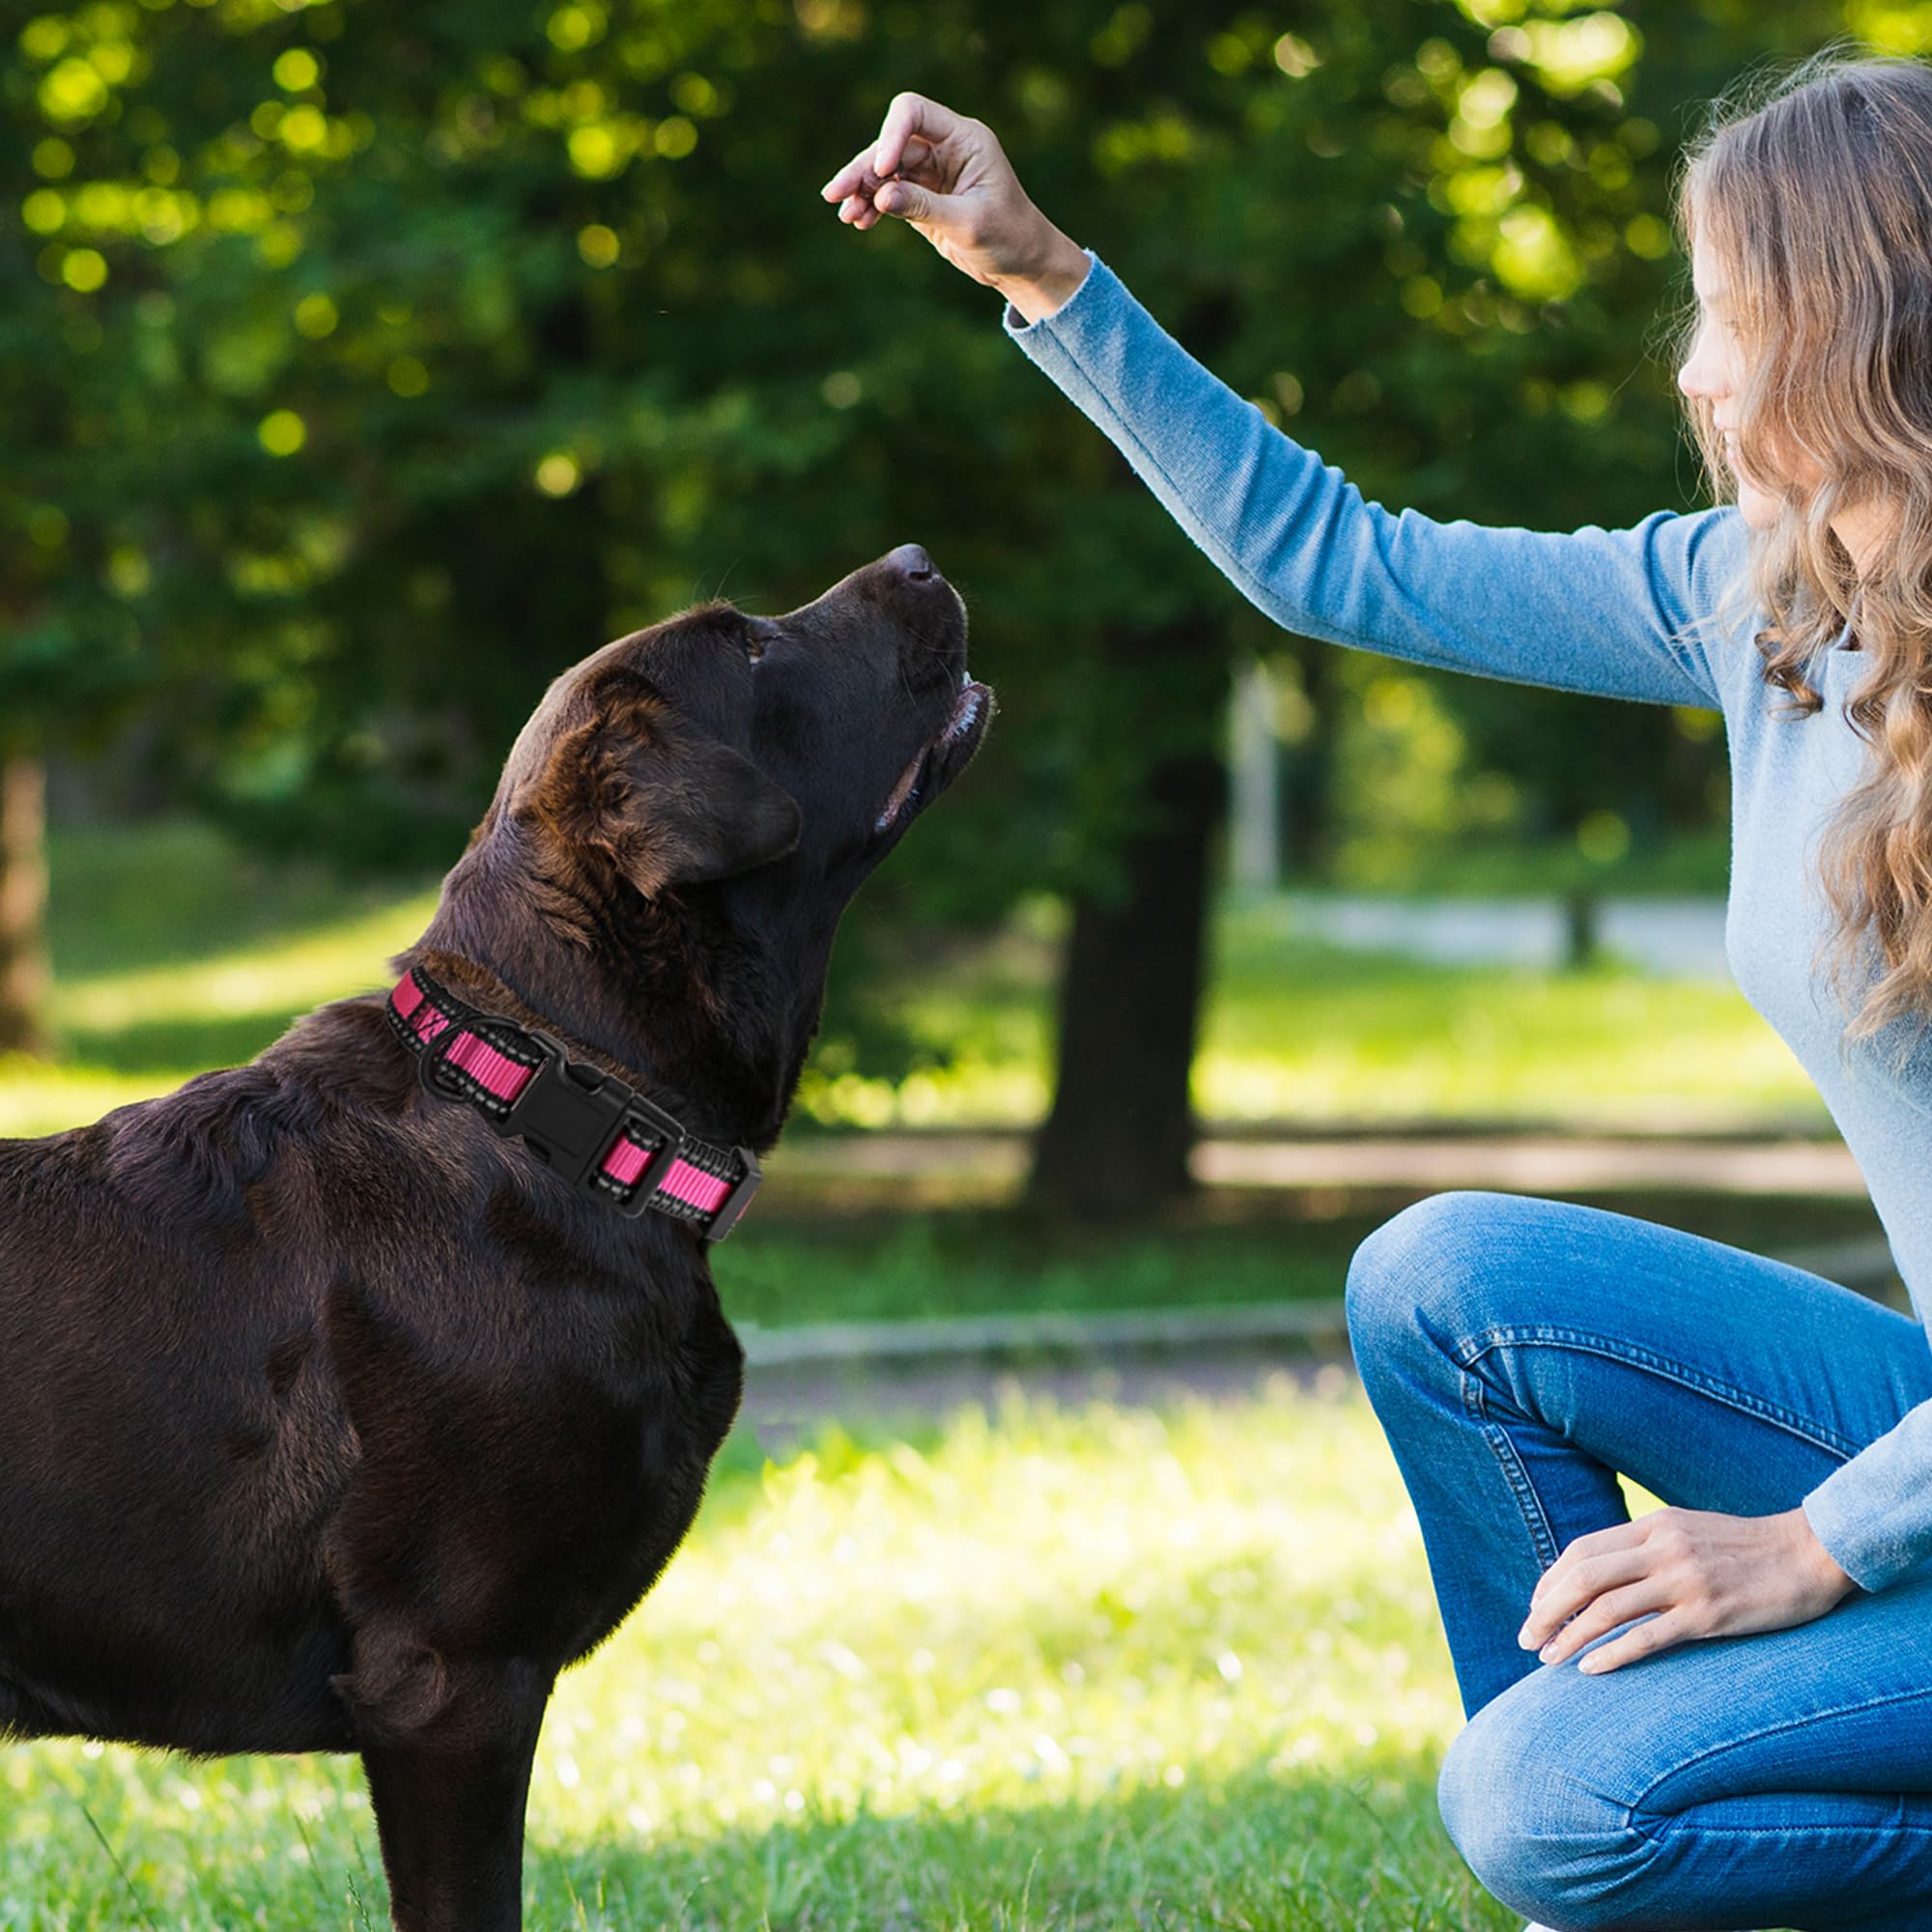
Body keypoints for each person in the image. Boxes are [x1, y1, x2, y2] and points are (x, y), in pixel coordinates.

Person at [823, 50, 1932, 1932]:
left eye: (1731, 314)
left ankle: (1598, 1819)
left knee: (1544, 1795)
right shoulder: (1765, 608)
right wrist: (1043, 275)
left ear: (1852, 327)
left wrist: (1818, 1548)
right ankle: (1638, 1859)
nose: (1692, 369)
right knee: (1444, 1281)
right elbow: (1346, 563)